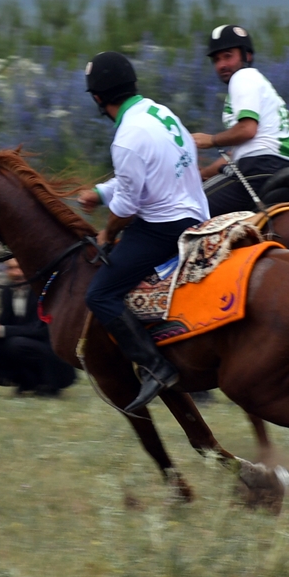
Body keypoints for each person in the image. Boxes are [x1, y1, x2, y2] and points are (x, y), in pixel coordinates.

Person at [75, 52, 209, 412]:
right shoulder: (160, 113)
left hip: (164, 226)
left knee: (99, 293)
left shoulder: (126, 138)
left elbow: (128, 208)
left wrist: (105, 233)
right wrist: (100, 192)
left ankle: (155, 365)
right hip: (197, 212)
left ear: (98, 98)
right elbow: (144, 175)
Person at [190, 24, 289, 215]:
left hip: (261, 170)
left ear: (247, 56)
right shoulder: (258, 84)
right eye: (216, 59)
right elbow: (235, 154)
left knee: (189, 211)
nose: (221, 65)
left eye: (228, 56)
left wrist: (210, 140)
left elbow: (247, 130)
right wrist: (202, 174)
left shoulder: (243, 77)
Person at [0, 259, 76, 395]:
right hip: (20, 344)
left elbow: (43, 330)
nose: (16, 273)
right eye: (11, 268)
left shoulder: (45, 291)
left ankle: (49, 383)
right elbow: (5, 325)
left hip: (52, 353)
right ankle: (24, 381)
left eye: (20, 267)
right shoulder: (7, 292)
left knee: (16, 344)